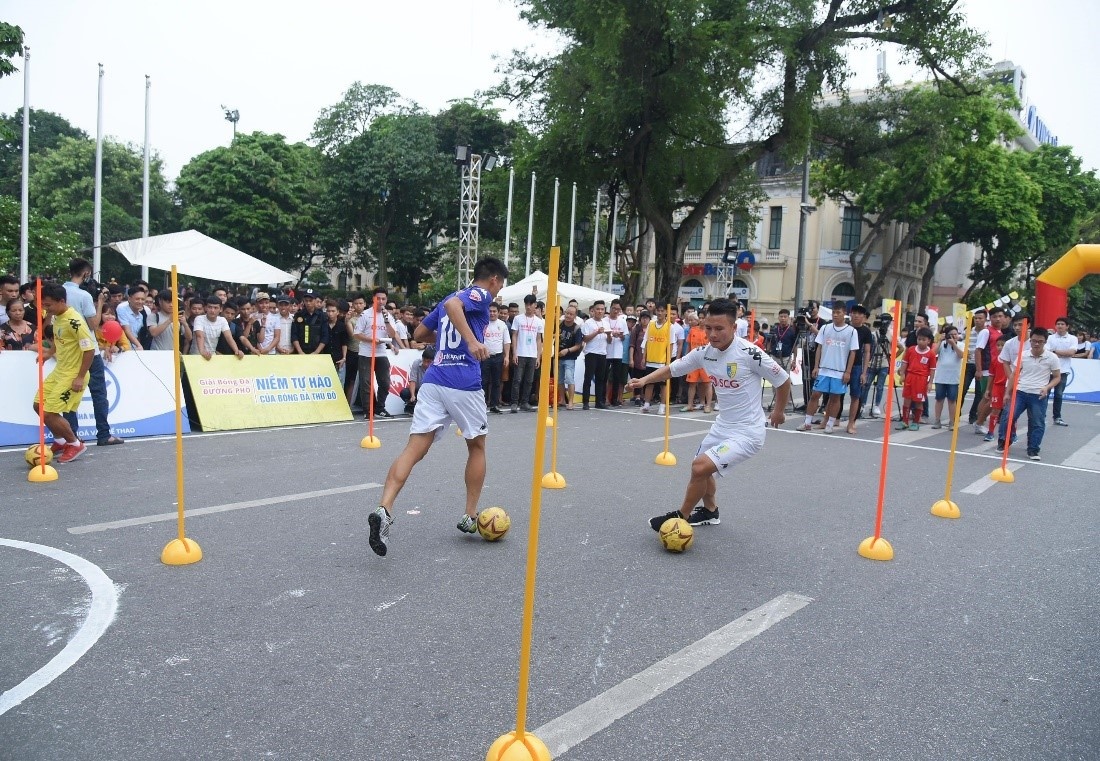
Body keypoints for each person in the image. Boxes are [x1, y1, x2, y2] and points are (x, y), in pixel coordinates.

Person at [368, 257, 510, 557]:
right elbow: (453, 308)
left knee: (415, 447)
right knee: (477, 447)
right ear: (494, 279)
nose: (497, 293)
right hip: (463, 381)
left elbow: (419, 334)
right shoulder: (479, 294)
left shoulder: (450, 295)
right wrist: (470, 342)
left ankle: (384, 508)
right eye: (500, 285)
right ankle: (470, 515)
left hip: (434, 381)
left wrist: (449, 342)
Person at [629, 298, 790, 532]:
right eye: (708, 328)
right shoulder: (705, 353)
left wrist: (779, 412)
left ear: (734, 328)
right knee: (703, 470)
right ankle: (710, 511)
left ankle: (679, 518)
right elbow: (674, 369)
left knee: (699, 467)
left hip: (747, 432)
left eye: (719, 329)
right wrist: (644, 379)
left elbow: (783, 379)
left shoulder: (750, 353)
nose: (713, 334)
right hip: (722, 426)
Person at [61, 258, 124, 446]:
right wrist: (100, 303)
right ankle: (104, 434)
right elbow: (94, 324)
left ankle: (72, 436)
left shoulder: (59, 292)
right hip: (88, 348)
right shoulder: (84, 296)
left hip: (67, 350)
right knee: (98, 392)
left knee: (70, 394)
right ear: (86, 273)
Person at [34, 284, 95, 463]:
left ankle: (75, 444)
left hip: (73, 374)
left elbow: (89, 350)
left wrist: (80, 377)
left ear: (62, 301)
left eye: (49, 305)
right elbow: (59, 338)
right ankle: (60, 441)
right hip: (60, 370)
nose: (46, 308)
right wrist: (49, 353)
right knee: (38, 405)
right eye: (44, 305)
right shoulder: (56, 316)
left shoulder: (75, 321)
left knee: (50, 412)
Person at [997, 327, 1060, 460]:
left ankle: (1033, 449)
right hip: (1020, 391)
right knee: (1008, 416)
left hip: (1038, 394)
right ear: (1030, 341)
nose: (1036, 344)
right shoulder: (1023, 355)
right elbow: (1014, 374)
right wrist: (1008, 393)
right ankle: (1004, 441)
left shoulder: (1052, 357)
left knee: (1037, 422)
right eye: (1034, 341)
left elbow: (1057, 377)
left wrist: (1047, 387)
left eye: (1040, 341)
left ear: (1045, 342)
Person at [799, 302, 858, 434]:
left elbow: (853, 352)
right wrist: (816, 366)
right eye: (834, 313)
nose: (835, 315)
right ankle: (807, 422)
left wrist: (848, 371)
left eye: (838, 313)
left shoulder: (851, 332)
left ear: (844, 314)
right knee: (815, 395)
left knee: (835, 398)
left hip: (839, 371)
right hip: (824, 369)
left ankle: (830, 424)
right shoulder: (825, 328)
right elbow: (819, 347)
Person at [354, 288, 400, 419]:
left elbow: (392, 334)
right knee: (366, 383)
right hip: (366, 353)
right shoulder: (365, 314)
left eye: (383, 299)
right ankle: (368, 411)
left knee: (385, 382)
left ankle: (380, 407)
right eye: (378, 298)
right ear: (373, 299)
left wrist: (386, 320)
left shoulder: (388, 316)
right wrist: (372, 340)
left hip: (381, 353)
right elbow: (357, 334)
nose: (380, 301)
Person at [509, 294, 543, 413]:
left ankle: (525, 402)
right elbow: (514, 335)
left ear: (535, 305)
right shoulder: (518, 319)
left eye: (531, 304)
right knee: (517, 379)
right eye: (526, 304)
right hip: (520, 352)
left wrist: (538, 356)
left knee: (529, 380)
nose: (528, 307)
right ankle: (514, 402)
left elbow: (539, 339)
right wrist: (514, 353)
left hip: (532, 354)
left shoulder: (539, 322)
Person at [897, 327, 935, 430]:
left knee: (919, 401)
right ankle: (905, 421)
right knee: (907, 400)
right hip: (910, 377)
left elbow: (932, 369)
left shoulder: (931, 353)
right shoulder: (911, 349)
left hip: (921, 380)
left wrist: (930, 383)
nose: (921, 342)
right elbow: (905, 363)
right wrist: (902, 375)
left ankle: (916, 422)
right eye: (919, 339)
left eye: (924, 340)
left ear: (928, 341)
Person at [641, 304, 675, 413]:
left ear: (666, 312)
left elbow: (670, 344)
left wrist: (668, 361)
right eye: (658, 311)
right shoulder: (651, 325)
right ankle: (646, 404)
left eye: (662, 311)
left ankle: (662, 406)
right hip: (650, 359)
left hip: (662, 361)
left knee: (663, 385)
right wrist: (644, 357)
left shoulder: (670, 326)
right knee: (649, 383)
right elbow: (646, 341)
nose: (660, 313)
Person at [845, 304, 873, 434]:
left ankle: (851, 422)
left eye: (859, 313)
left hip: (856, 366)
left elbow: (867, 352)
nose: (856, 315)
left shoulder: (866, 331)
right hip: (841, 364)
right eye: (854, 312)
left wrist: (864, 372)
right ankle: (833, 418)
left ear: (864, 317)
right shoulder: (845, 327)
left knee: (855, 395)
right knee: (835, 394)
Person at [580, 300, 611, 410]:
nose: (600, 311)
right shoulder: (588, 323)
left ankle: (599, 401)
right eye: (598, 309)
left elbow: (609, 341)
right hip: (591, 353)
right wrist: (597, 332)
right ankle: (585, 402)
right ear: (593, 310)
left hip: (602, 353)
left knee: (600, 379)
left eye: (602, 309)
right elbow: (585, 338)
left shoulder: (606, 323)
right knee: (588, 378)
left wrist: (609, 335)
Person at [1046, 317, 1076, 426]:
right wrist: (1062, 353)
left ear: (1067, 326)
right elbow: (1047, 352)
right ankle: (1041, 416)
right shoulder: (1050, 338)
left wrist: (1055, 351)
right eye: (1057, 324)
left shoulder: (1072, 338)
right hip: (1048, 370)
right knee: (1045, 393)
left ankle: (1057, 417)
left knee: (1058, 395)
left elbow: (1071, 352)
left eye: (1062, 324)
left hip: (1063, 371)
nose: (1059, 326)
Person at [931, 325, 963, 429]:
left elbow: (961, 355)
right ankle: (937, 420)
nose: (953, 336)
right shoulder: (942, 344)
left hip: (953, 378)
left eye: (955, 334)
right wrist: (940, 341)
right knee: (939, 399)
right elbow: (932, 354)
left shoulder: (961, 344)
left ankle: (952, 422)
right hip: (941, 377)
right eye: (951, 334)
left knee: (952, 400)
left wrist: (954, 344)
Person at [481, 302, 510, 413]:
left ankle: (494, 404)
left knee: (496, 382)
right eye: (490, 311)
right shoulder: (483, 323)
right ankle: (482, 404)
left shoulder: (502, 325)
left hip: (498, 357)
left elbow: (506, 341)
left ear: (498, 312)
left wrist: (507, 356)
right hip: (485, 357)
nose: (492, 313)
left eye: (494, 311)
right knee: (483, 381)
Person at [680, 312, 711, 412]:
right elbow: (688, 346)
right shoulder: (692, 330)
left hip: (706, 362)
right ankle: (690, 405)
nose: (701, 320)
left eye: (703, 318)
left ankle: (708, 405)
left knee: (707, 383)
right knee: (692, 384)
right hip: (694, 361)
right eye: (700, 318)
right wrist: (685, 358)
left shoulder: (709, 331)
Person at [982, 334, 1009, 442]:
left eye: (1003, 345)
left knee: (1010, 412)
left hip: (1008, 388)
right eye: (998, 345)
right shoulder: (994, 360)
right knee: (995, 410)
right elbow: (991, 376)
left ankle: (1012, 434)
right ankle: (991, 432)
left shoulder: (1012, 360)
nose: (1000, 347)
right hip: (997, 387)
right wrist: (988, 389)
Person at [605, 300, 629, 407]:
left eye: (618, 309)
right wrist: (610, 335)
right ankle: (603, 398)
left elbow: (624, 337)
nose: (615, 311)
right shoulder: (605, 320)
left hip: (618, 353)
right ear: (610, 308)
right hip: (605, 351)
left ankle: (614, 399)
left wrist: (620, 335)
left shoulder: (622, 321)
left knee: (616, 377)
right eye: (614, 308)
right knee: (604, 376)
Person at [400, 347, 435, 414]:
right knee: (405, 392)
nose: (425, 364)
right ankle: (413, 405)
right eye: (424, 360)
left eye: (428, 362)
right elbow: (412, 380)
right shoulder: (416, 363)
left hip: (429, 391)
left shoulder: (435, 367)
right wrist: (412, 395)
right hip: (418, 390)